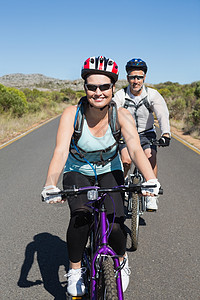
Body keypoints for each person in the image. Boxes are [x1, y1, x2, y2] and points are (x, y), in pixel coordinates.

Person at [41, 56, 160, 297]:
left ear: (112, 88)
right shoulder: (71, 114)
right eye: (92, 86)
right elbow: (61, 151)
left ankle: (121, 260)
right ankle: (75, 270)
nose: (98, 92)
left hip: (110, 169)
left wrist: (151, 179)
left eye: (104, 87)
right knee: (80, 218)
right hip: (78, 171)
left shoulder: (122, 115)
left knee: (116, 223)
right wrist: (50, 184)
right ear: (84, 87)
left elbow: (136, 149)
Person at [114, 58, 171, 211]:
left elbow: (162, 114)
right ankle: (124, 180)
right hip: (125, 134)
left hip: (147, 133)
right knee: (126, 160)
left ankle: (151, 195)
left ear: (144, 77)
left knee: (150, 156)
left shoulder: (152, 95)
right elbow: (111, 115)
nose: (136, 81)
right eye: (132, 77)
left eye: (139, 77)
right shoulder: (120, 95)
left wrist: (166, 133)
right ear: (127, 78)